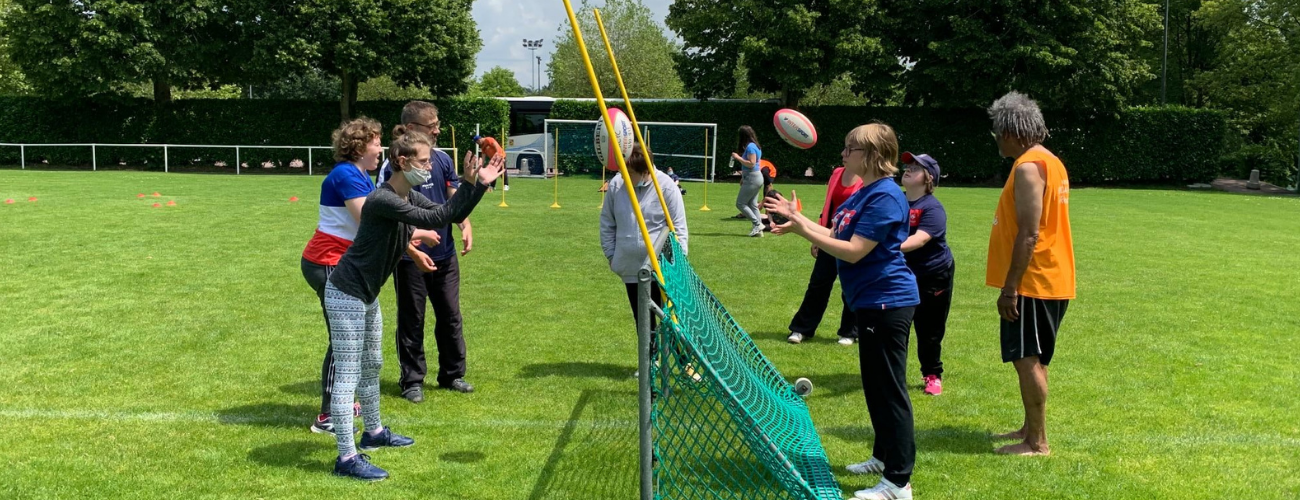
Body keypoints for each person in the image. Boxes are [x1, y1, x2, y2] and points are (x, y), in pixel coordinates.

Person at [324, 127, 503, 481]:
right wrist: (477, 184)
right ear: (402, 162)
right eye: (423, 161)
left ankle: (373, 433)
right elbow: (437, 219)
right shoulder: (383, 199)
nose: (428, 167)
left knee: (372, 363)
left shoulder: (407, 197)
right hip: (345, 293)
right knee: (348, 375)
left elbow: (447, 213)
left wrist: (474, 183)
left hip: (366, 293)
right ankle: (346, 458)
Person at [764, 123, 919, 500]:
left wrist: (802, 228)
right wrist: (798, 219)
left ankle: (898, 484)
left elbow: (854, 250)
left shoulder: (884, 196)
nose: (843, 155)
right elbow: (836, 237)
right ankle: (883, 458)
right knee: (876, 387)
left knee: (889, 391)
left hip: (887, 302)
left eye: (850, 149)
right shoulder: (862, 194)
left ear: (871, 155)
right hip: (869, 302)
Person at [301, 118, 436, 434]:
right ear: (360, 146)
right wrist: (418, 234)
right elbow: (369, 220)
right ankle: (329, 415)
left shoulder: (360, 174)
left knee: (352, 341)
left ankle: (342, 404)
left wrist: (412, 251)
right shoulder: (346, 174)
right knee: (342, 341)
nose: (380, 149)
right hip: (328, 261)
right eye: (376, 143)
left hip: (341, 261)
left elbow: (383, 226)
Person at [986, 91, 1075, 456]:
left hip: (1034, 282)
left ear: (1010, 130)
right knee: (1035, 358)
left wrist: (1011, 288)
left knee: (1027, 359)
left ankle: (1037, 443)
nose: (995, 137)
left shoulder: (1027, 167)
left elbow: (1030, 231)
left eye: (996, 130)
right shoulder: (1048, 161)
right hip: (1050, 278)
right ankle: (1029, 428)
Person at [379, 101, 477, 403]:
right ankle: (411, 381)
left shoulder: (443, 159)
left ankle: (452, 375)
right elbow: (388, 215)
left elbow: (450, 201)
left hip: (444, 255)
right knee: (412, 319)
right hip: (409, 260)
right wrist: (410, 249)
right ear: (410, 129)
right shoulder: (391, 168)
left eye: (437, 123)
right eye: (430, 125)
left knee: (450, 316)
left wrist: (465, 223)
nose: (436, 129)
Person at [600, 143, 688, 343]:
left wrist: (678, 265)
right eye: (623, 171)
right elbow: (607, 222)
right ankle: (649, 365)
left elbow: (679, 228)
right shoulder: (616, 185)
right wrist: (612, 256)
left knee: (672, 319)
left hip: (663, 268)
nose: (625, 176)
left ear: (645, 171)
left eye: (630, 172)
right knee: (643, 320)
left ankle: (685, 363)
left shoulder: (666, 186)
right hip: (631, 267)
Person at [786, 163, 862, 346]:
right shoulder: (837, 173)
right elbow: (828, 207)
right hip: (829, 237)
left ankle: (849, 332)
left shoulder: (867, 180)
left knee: (850, 287)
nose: (844, 153)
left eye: (849, 149)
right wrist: (817, 238)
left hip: (852, 241)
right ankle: (801, 328)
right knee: (818, 284)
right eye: (845, 148)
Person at [899, 152, 955, 396]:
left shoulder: (932, 208)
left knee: (929, 330)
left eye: (916, 167)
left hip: (933, 275)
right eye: (908, 165)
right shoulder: (896, 200)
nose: (908, 169)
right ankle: (894, 374)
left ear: (929, 178)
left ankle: (932, 375)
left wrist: (878, 247)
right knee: (897, 327)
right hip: (902, 273)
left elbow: (918, 240)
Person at [730, 126, 765, 237]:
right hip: (753, 177)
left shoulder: (750, 147)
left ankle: (757, 224)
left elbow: (751, 163)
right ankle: (759, 231)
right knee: (753, 205)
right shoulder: (755, 146)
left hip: (752, 178)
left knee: (740, 203)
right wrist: (743, 177)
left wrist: (737, 157)